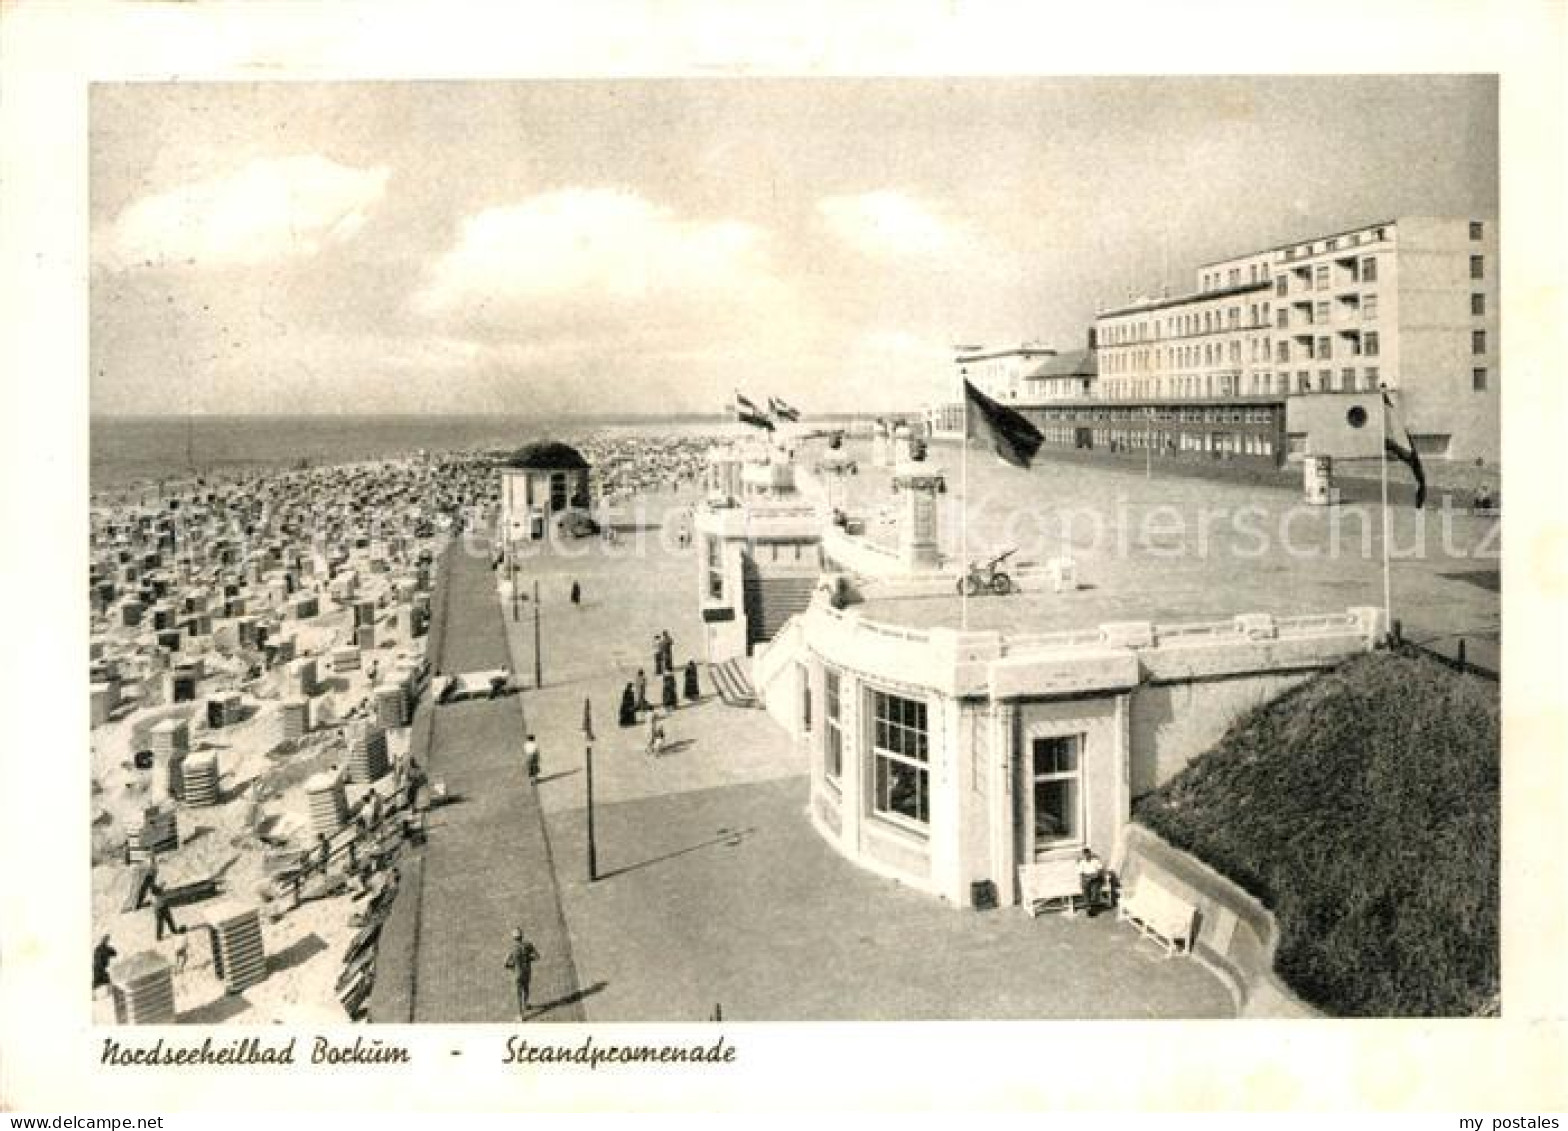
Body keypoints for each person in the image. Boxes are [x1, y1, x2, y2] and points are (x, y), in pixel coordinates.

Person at [504, 926, 540, 1021]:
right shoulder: (528, 945)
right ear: (522, 936)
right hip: (527, 971)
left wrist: (511, 967)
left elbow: (505, 963)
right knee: (526, 988)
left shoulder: (512, 948)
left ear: (513, 938)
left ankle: (520, 1015)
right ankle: (526, 1004)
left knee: (518, 994)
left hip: (517, 973)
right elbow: (537, 956)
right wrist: (528, 959)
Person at [1077, 847, 1106, 915]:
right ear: (1083, 855)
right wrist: (1084, 880)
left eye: (1088, 854)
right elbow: (1081, 874)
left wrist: (1093, 876)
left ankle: (1093, 906)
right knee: (1085, 889)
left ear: (1090, 854)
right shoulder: (1082, 862)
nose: (1086, 856)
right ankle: (1089, 907)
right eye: (1085, 855)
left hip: (1096, 878)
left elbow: (1100, 871)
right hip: (1087, 878)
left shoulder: (1095, 860)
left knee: (1094, 891)